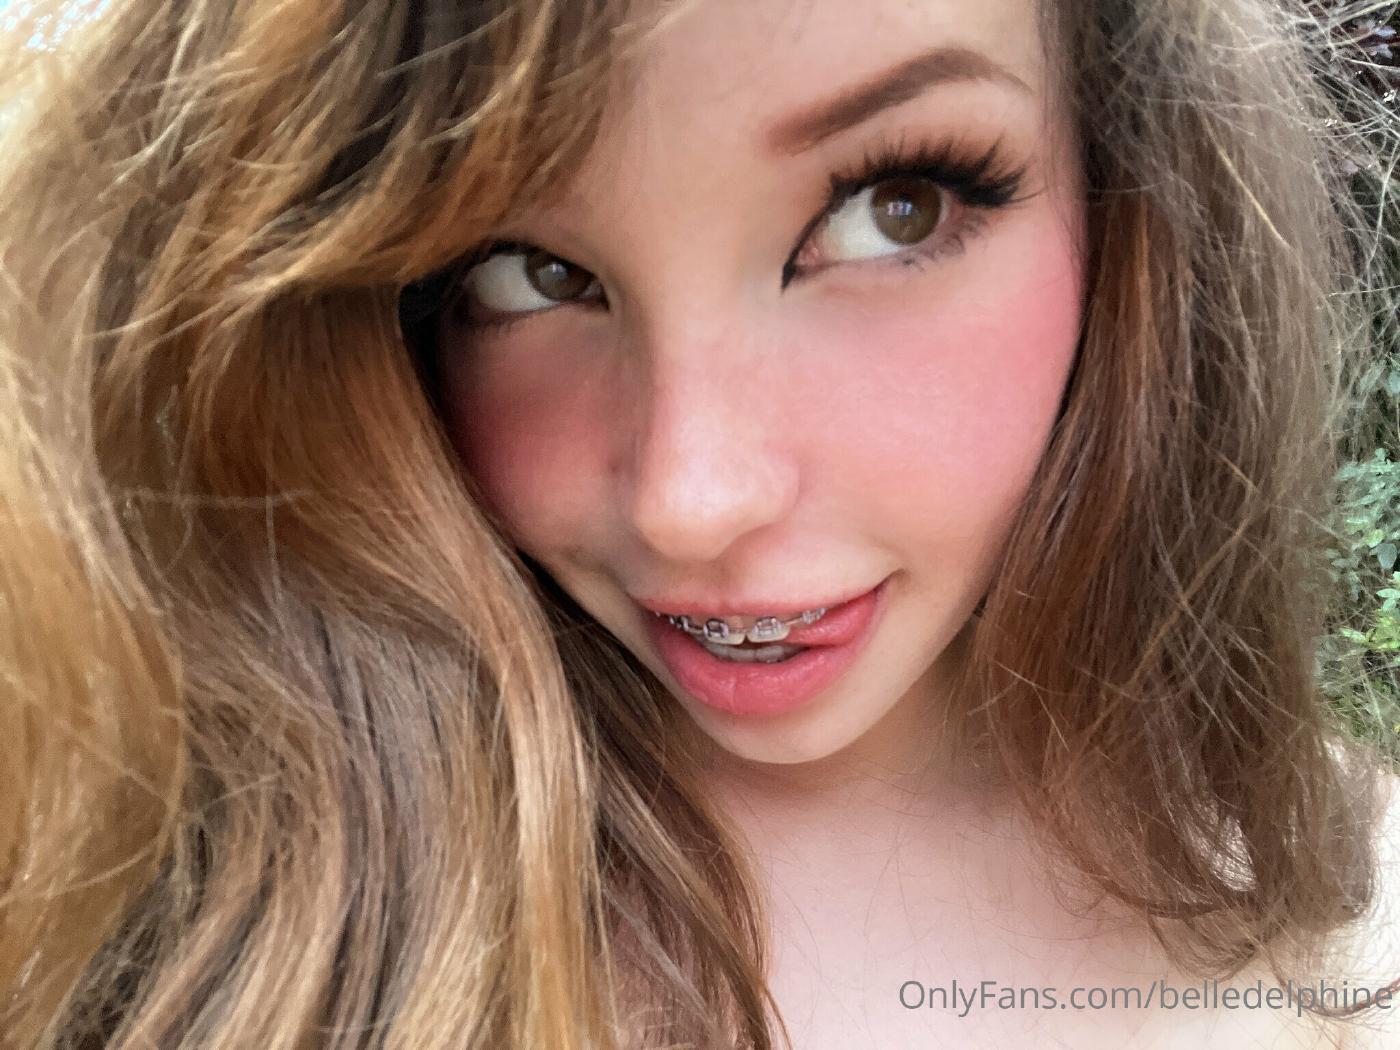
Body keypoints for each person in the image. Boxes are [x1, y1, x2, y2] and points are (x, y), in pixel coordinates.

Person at [0, 0, 1397, 1046]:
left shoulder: (1359, 919)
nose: (690, 502)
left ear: (1132, 186)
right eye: (527, 270)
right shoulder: (175, 879)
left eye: (892, 208)